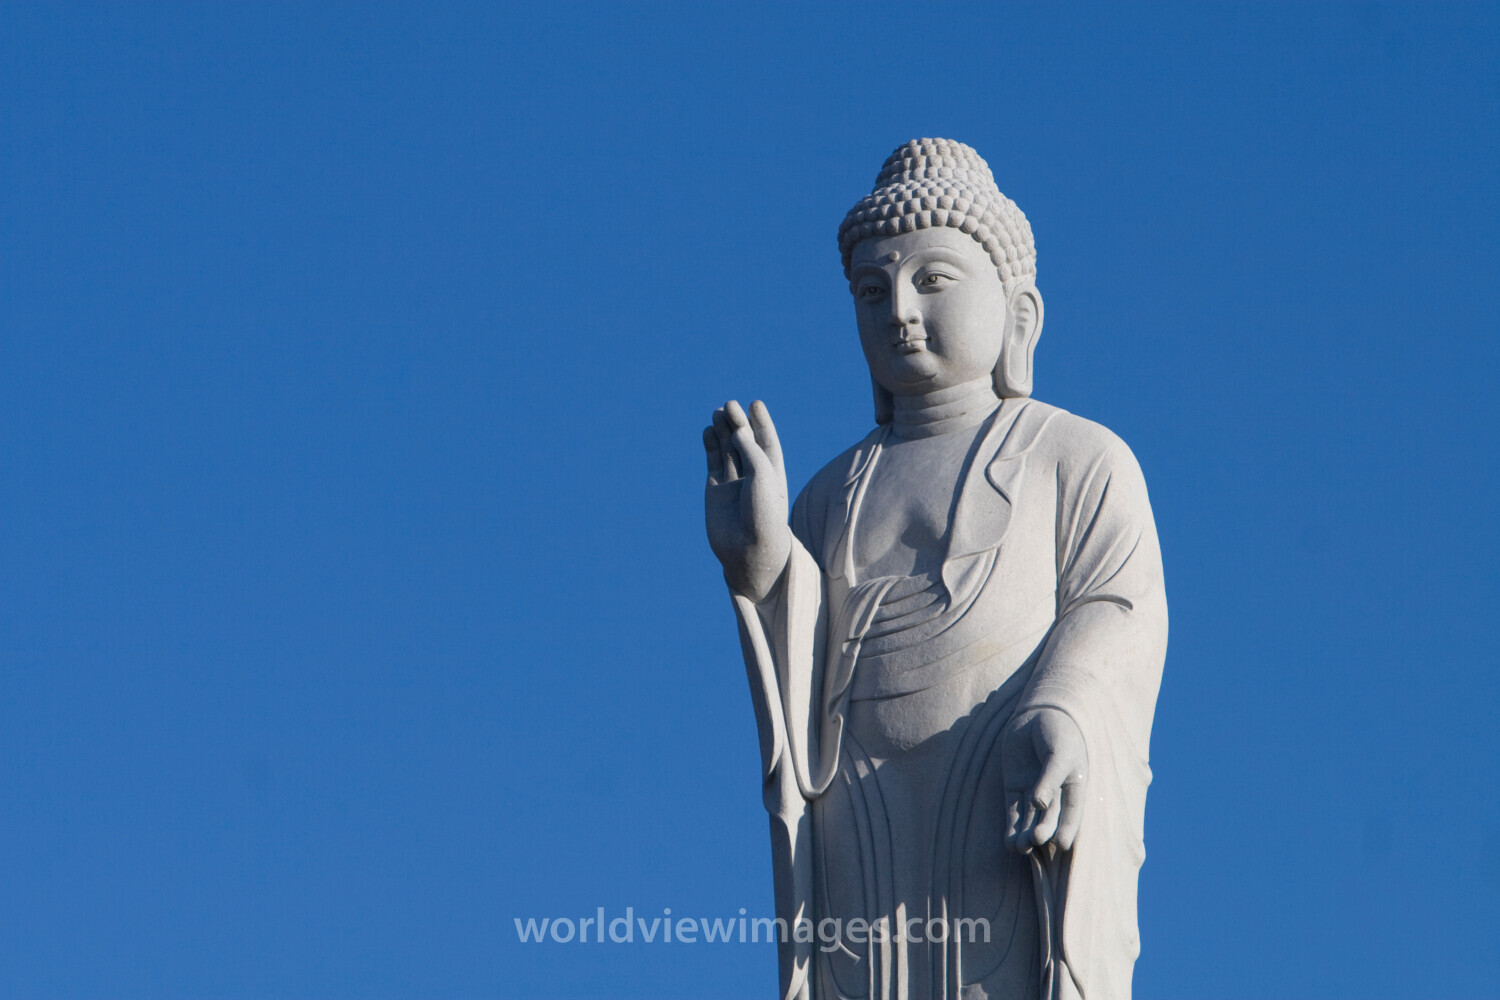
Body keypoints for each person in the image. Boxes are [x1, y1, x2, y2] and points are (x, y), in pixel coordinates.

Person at [703, 139, 1167, 1000]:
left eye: (933, 280)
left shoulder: (1074, 457)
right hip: (862, 834)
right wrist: (763, 566)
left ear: (1018, 313)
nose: (901, 313)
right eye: (872, 292)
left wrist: (1064, 707)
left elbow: (1118, 606)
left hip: (1005, 799)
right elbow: (802, 687)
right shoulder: (829, 496)